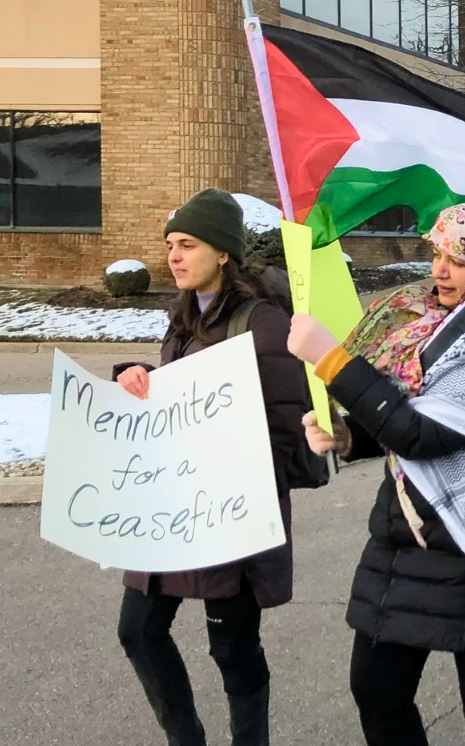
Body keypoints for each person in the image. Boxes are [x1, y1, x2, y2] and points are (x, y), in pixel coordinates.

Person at [288, 203, 465, 746]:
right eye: (437, 254)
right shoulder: (427, 315)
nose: (440, 270)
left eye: (460, 260)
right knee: (376, 689)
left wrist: (331, 361)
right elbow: (413, 414)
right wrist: (353, 436)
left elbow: (426, 435)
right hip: (413, 529)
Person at [113, 188, 308, 746]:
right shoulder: (181, 317)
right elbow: (172, 397)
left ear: (223, 252)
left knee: (233, 649)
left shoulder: (262, 324)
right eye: (170, 244)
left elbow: (283, 434)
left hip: (231, 516)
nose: (174, 256)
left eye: (188, 244)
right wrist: (134, 378)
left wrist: (221, 466)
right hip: (170, 509)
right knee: (139, 632)